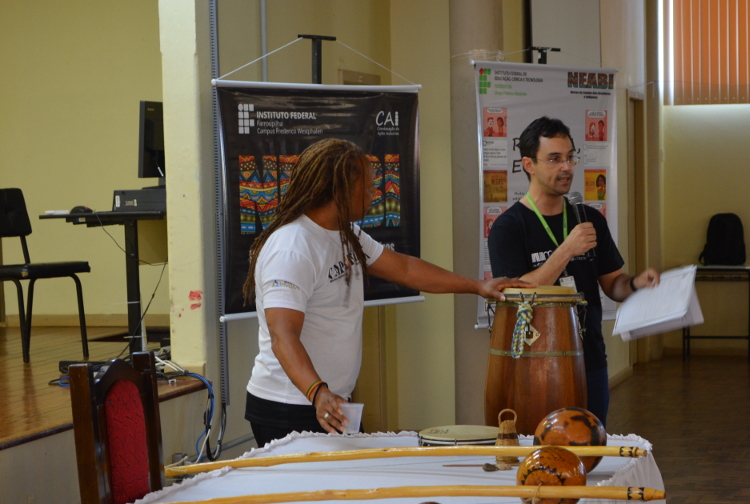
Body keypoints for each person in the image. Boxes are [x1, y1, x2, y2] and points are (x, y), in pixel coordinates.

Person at [243, 138, 531, 445]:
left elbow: (405, 269)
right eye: (367, 187)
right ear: (340, 190)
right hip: (291, 405)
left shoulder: (345, 233)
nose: (375, 193)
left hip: (330, 401)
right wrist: (317, 392)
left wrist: (477, 286)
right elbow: (283, 336)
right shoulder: (292, 248)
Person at [487, 117, 658, 426]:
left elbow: (613, 285)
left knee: (589, 445)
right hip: (535, 361)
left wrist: (636, 283)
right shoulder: (508, 227)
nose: (566, 167)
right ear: (529, 164)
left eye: (570, 157)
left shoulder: (589, 219)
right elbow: (518, 295)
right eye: (554, 159)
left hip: (588, 357)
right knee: (540, 448)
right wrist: (566, 250)